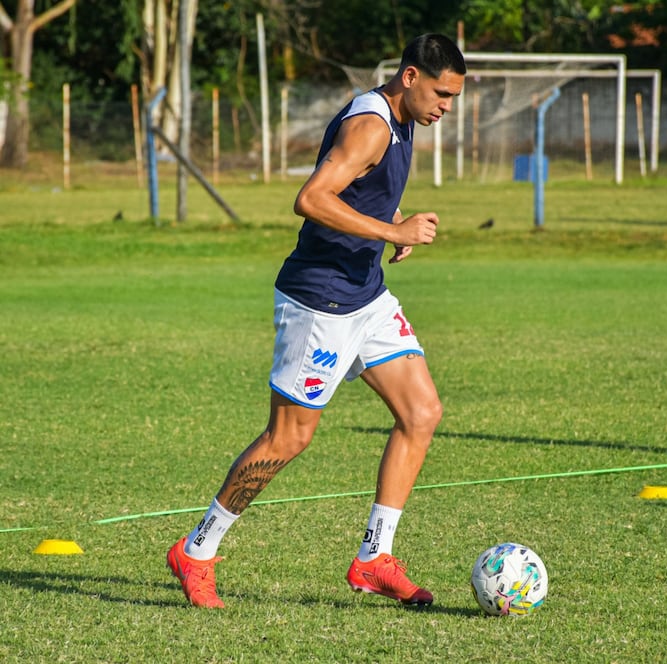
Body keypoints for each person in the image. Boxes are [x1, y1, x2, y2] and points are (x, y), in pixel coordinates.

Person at [167, 33, 466, 609]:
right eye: (441, 93)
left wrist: (391, 215)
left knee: (421, 411)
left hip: (365, 295)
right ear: (409, 77)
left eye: (452, 97)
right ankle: (197, 550)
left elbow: (358, 190)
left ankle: (373, 558)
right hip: (320, 301)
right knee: (290, 436)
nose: (445, 107)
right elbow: (311, 198)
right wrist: (392, 233)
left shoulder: (401, 121)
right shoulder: (373, 125)